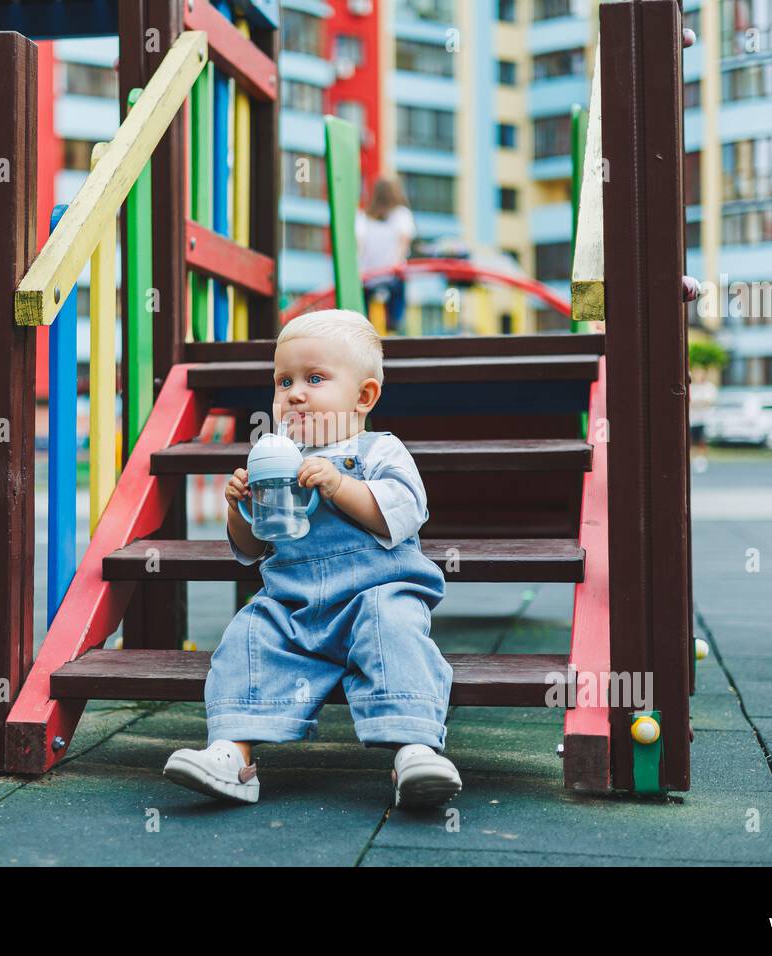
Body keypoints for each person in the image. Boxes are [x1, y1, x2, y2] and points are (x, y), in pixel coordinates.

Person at [163, 309, 461, 808]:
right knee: (249, 634)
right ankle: (233, 755)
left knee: (397, 632)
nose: (295, 393)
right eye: (284, 381)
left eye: (314, 378)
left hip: (377, 592)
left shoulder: (380, 450)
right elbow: (253, 547)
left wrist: (339, 482)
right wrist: (241, 508)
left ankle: (415, 748)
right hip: (294, 604)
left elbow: (403, 514)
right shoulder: (274, 454)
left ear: (363, 396)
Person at [355, 178, 415, 334]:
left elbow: (359, 246)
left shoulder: (363, 217)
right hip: (391, 273)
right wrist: (396, 264)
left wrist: (359, 269)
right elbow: (404, 240)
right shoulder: (402, 215)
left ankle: (364, 325)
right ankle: (394, 323)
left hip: (369, 274)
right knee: (398, 295)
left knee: (364, 308)